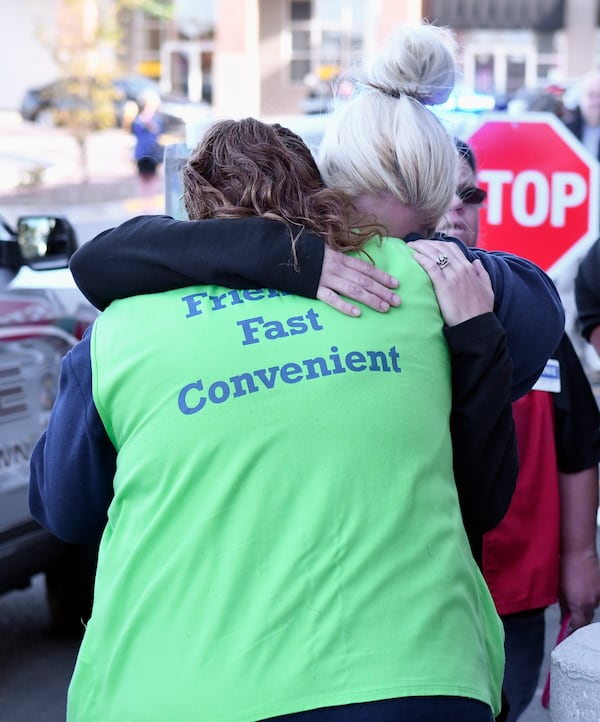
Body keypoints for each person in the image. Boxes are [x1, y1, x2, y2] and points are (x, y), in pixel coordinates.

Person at [31, 26, 510, 722]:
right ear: (321, 195)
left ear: (192, 213)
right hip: (417, 679)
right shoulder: (423, 280)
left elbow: (67, 512)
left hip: (172, 691)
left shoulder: (124, 331)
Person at [437, 138, 600, 722]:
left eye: (471, 194)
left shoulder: (528, 311)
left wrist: (580, 558)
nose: (458, 209)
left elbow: (578, 443)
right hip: (426, 597)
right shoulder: (376, 311)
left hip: (520, 598)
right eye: (441, 192)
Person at [131, 89, 164, 208]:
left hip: (152, 153)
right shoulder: (138, 119)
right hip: (141, 153)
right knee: (142, 178)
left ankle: (151, 204)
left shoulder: (157, 119)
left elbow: (157, 131)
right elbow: (135, 130)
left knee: (152, 178)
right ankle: (144, 204)